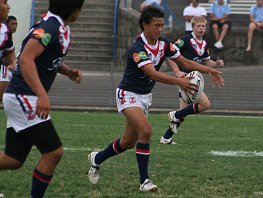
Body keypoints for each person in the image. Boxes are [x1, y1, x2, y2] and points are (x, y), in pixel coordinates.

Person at [87, 6, 224, 192]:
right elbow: (152, 73)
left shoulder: (164, 43)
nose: (160, 29)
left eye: (162, 25)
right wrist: (180, 82)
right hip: (127, 94)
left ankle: (97, 159)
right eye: (156, 25)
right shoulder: (138, 48)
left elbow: (183, 61)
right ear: (145, 25)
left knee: (127, 142)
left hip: (144, 96)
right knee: (146, 131)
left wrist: (209, 70)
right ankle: (144, 181)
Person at [0, 0, 84, 197]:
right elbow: (26, 58)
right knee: (53, 152)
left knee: (13, 159)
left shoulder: (58, 27)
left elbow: (47, 58)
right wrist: (41, 94)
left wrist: (68, 72)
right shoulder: (49, 27)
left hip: (21, 97)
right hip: (24, 96)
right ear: (74, 11)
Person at [160, 16, 224, 145]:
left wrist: (216, 64)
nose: (201, 28)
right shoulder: (185, 40)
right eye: (198, 26)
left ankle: (166, 138)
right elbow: (170, 55)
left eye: (203, 26)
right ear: (192, 27)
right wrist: (178, 72)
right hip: (185, 78)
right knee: (205, 104)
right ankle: (175, 115)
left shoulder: (204, 43)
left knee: (183, 112)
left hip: (193, 78)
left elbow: (206, 61)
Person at [0, 1, 16, 102]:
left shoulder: (6, 31)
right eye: (5, 2)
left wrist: (13, 63)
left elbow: (9, 52)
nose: (8, 7)